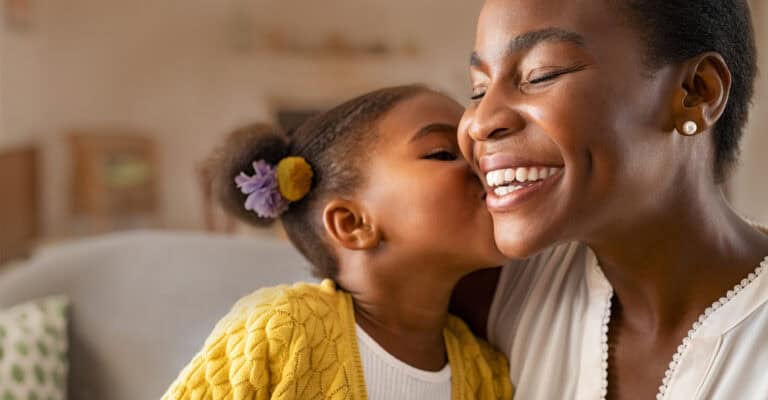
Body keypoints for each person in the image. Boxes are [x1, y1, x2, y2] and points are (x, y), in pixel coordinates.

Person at [452, 0, 768, 399]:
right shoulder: (493, 294)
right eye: (478, 90)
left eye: (541, 75)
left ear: (696, 92)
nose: (479, 122)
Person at [163, 85, 513, 400]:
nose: (486, 165)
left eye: (478, 151)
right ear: (353, 223)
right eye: (442, 153)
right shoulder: (282, 328)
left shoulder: (486, 373)